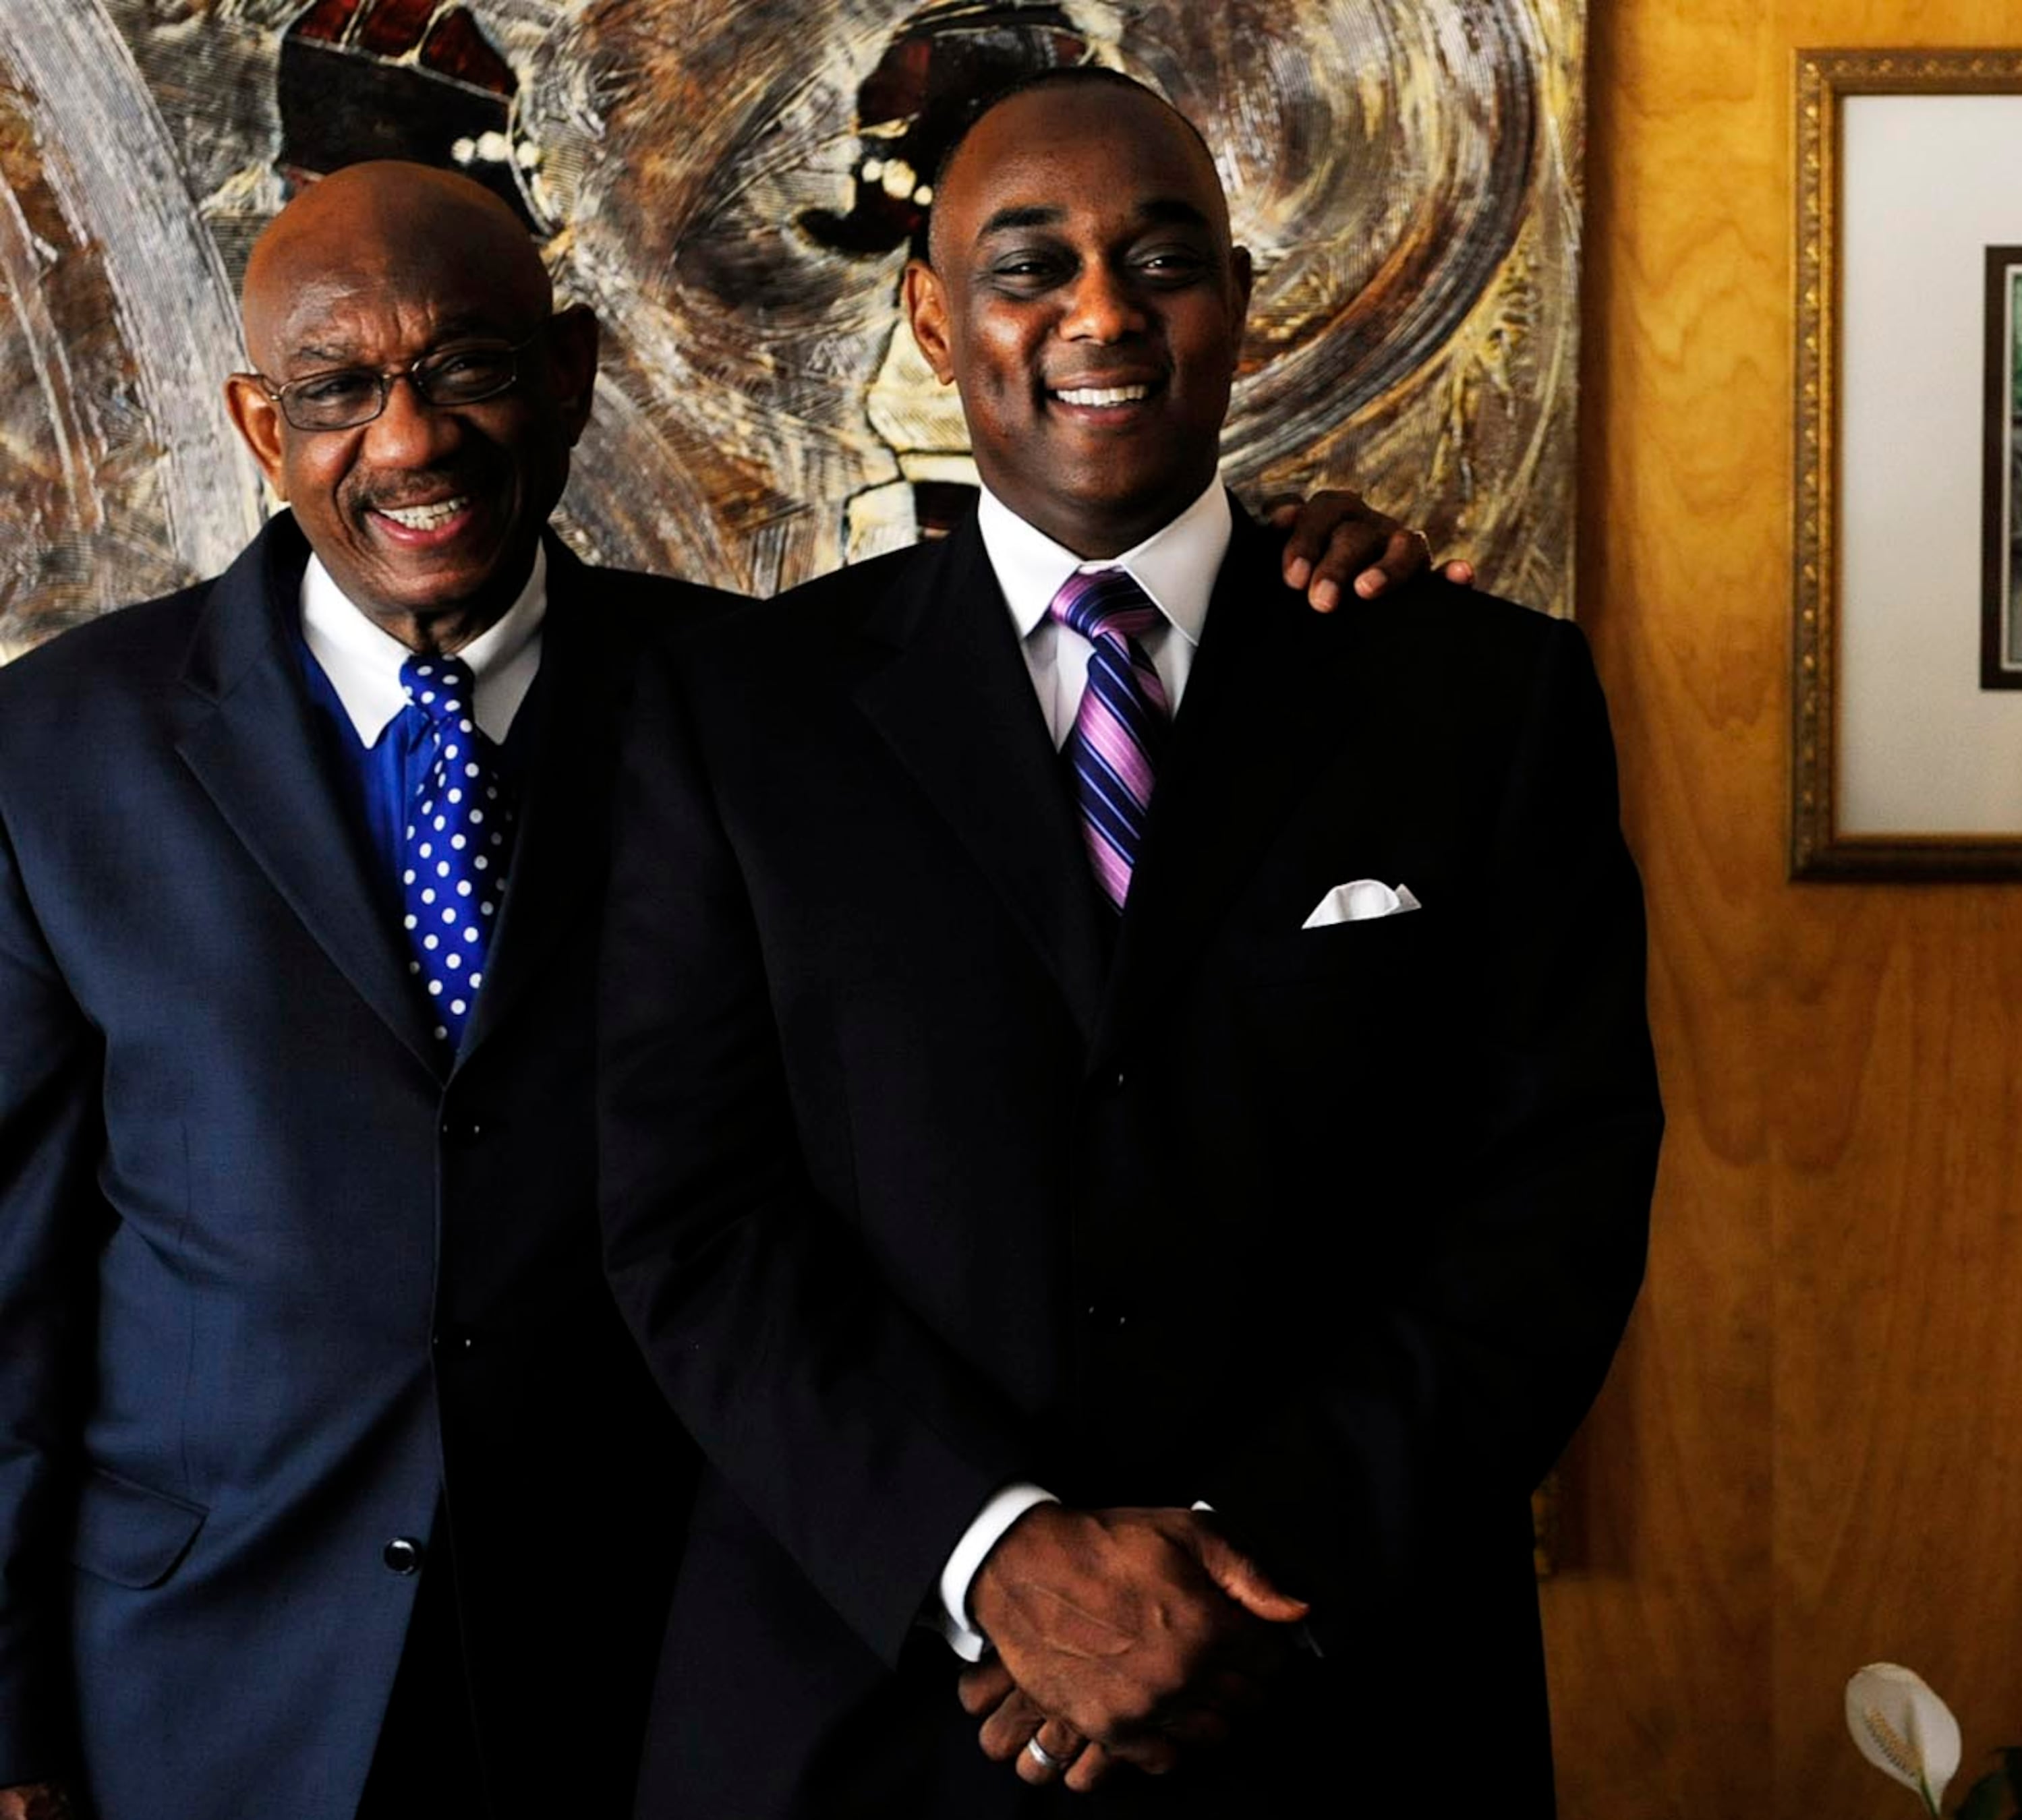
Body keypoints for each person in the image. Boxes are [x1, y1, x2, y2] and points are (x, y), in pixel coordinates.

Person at [0, 158, 1454, 1820]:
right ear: (264, 426)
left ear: (570, 375)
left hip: (661, 1655)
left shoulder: (774, 703)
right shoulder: (58, 749)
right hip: (211, 1675)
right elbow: (11, 1284)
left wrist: (1302, 582)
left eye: (468, 367)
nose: (407, 441)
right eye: (337, 390)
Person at [596, 66, 1663, 1820]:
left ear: (1236, 301)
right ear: (933, 321)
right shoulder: (739, 717)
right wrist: (997, 1555)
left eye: (1161, 260)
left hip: (1338, 1695)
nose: (1102, 312)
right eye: (1030, 267)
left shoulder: (1481, 698)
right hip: (872, 1711)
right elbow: (692, 1214)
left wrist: (1244, 1560)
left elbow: (1558, 1189)